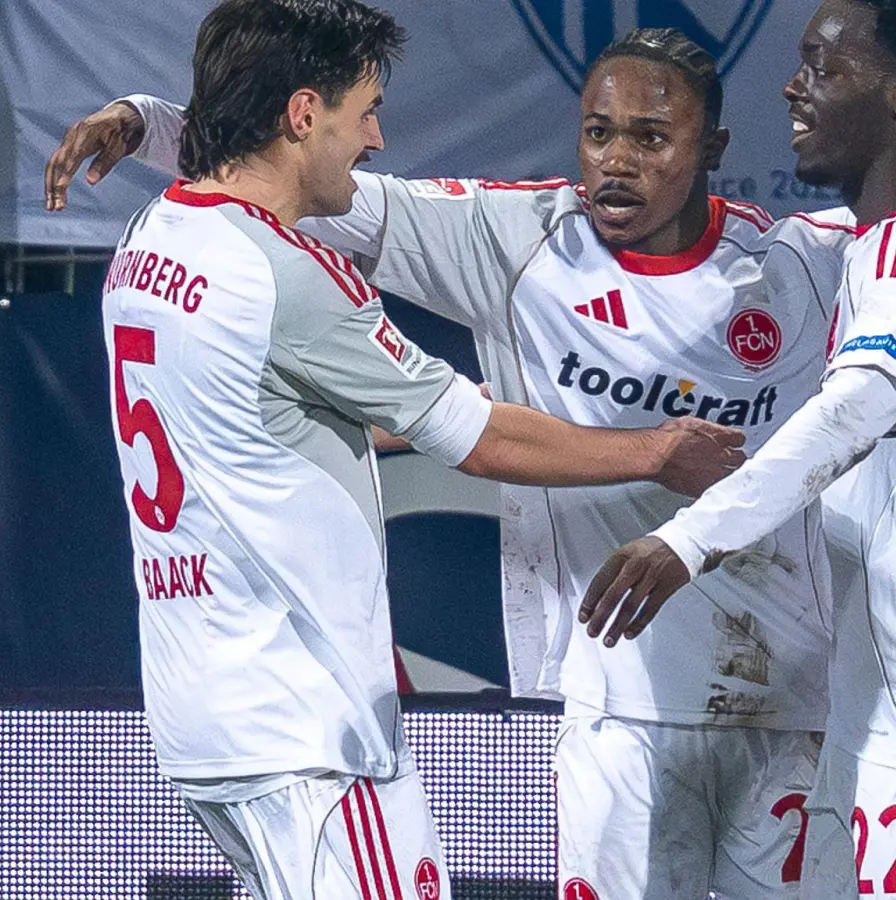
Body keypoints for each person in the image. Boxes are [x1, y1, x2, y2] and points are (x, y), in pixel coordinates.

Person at [49, 25, 896, 900]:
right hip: (614, 708)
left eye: (650, 138)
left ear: (711, 148)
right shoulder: (514, 243)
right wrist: (150, 122)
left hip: (787, 707)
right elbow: (305, 172)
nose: (616, 162)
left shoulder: (801, 264)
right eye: (598, 133)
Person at [96, 3, 745, 898]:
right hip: (311, 731)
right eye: (365, 110)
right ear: (303, 114)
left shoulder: (152, 236)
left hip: (200, 719)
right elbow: (478, 441)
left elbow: (262, 413)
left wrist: (142, 117)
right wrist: (659, 449)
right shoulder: (290, 275)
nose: (377, 138)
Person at [582, 1, 896, 898]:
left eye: (824, 67)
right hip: (885, 703)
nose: (793, 87)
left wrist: (688, 539)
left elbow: (852, 413)